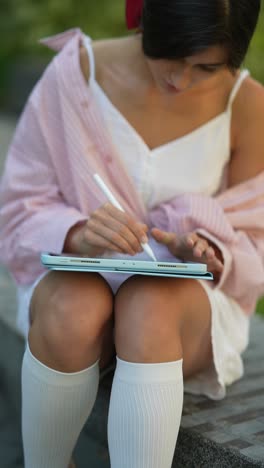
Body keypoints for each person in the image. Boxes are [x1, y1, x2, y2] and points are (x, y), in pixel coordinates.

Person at [0, 0, 264, 467]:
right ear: (148, 19)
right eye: (167, 54)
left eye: (205, 67)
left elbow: (254, 237)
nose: (179, 81)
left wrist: (208, 247)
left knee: (148, 302)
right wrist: (79, 233)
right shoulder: (75, 77)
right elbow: (19, 206)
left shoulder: (246, 105)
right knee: (72, 305)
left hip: (184, 304)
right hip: (76, 284)